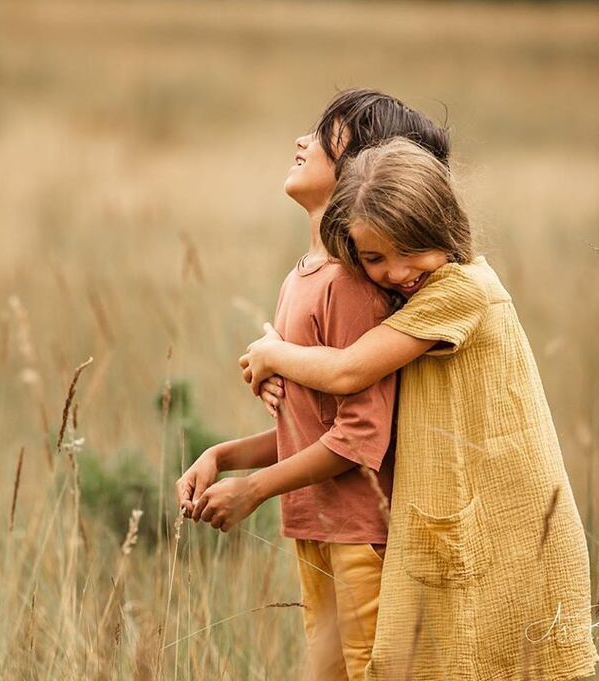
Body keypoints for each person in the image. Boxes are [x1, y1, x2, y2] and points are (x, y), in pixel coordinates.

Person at [239, 137, 599, 680]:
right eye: (375, 258)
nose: (397, 271)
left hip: (518, 525)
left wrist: (271, 353)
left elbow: (346, 371)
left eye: (412, 251)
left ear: (445, 230)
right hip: (471, 518)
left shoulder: (463, 290)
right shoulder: (416, 298)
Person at [175, 89, 450, 681]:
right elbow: (312, 430)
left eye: (327, 134)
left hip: (360, 539)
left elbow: (358, 435)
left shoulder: (350, 286)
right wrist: (221, 456)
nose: (302, 141)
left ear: (365, 172)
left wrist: (255, 490)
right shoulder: (301, 278)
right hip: (317, 529)